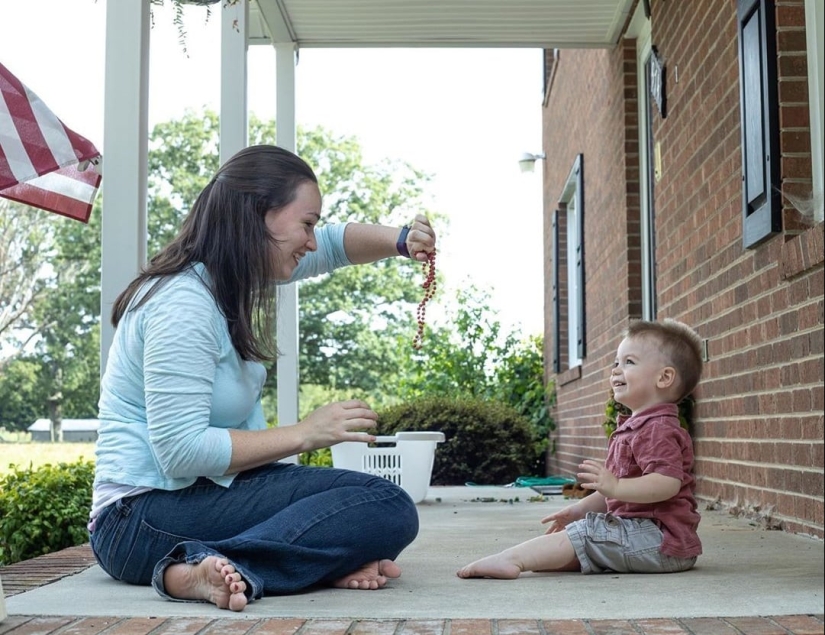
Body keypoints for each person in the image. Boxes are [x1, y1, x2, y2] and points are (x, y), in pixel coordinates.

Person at [88, 144, 437, 612]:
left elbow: (334, 245)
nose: (312, 240)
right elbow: (180, 452)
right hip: (138, 518)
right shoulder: (183, 304)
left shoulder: (229, 280)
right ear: (257, 217)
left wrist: (401, 240)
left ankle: (219, 566)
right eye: (306, 223)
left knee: (368, 506)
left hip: (203, 496)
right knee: (386, 506)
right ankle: (184, 573)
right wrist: (304, 434)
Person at [457, 318, 703, 579]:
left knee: (588, 534)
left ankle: (512, 560)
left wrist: (616, 486)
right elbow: (615, 496)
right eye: (616, 362)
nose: (616, 370)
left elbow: (666, 483)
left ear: (664, 377)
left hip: (660, 541)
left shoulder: (658, 429)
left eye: (629, 362)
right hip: (643, 538)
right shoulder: (638, 426)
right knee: (584, 535)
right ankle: (531, 556)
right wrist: (580, 509)